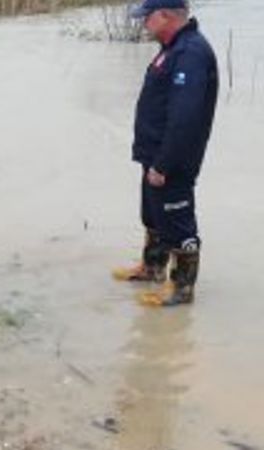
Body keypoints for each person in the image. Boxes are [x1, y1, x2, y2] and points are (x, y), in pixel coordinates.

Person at [113, 0, 218, 307]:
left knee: (178, 222)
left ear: (166, 15)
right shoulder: (171, 47)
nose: (143, 22)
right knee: (153, 215)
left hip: (173, 160)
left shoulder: (191, 53)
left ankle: (182, 290)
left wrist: (164, 164)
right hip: (154, 154)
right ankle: (153, 268)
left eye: (147, 16)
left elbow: (185, 117)